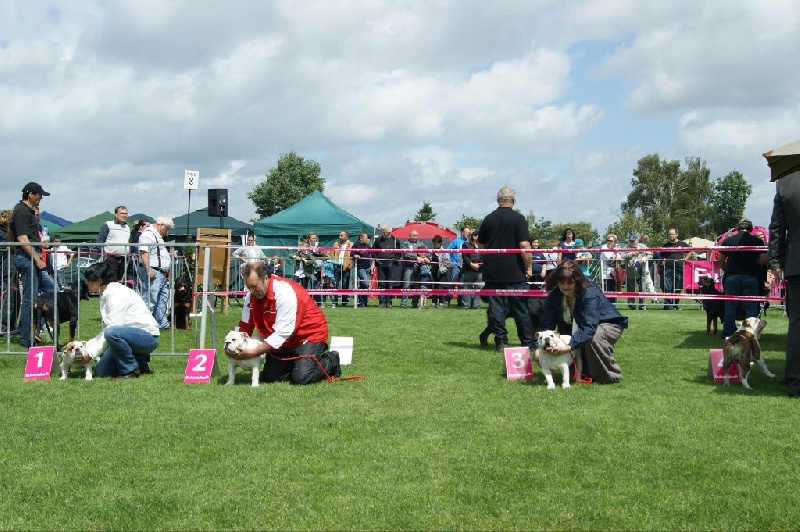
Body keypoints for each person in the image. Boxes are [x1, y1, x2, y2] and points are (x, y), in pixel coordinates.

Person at [227, 262, 340, 384]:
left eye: (255, 286)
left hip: (309, 335)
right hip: (285, 341)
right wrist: (234, 343)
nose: (252, 291)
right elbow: (245, 324)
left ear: (266, 278)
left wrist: (254, 351)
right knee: (270, 377)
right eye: (249, 287)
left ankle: (331, 360)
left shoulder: (284, 292)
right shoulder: (251, 296)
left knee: (301, 378)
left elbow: (283, 332)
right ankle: (297, 363)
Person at [535, 260, 626, 384]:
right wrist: (537, 348)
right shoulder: (554, 295)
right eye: (561, 283)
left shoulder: (589, 293)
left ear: (577, 281)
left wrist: (569, 346)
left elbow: (589, 326)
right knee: (572, 368)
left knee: (594, 337)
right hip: (580, 328)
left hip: (607, 323)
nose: (565, 286)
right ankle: (584, 372)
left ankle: (610, 376)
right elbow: (546, 322)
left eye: (570, 283)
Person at [65, 261, 159, 378]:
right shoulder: (106, 293)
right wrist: (88, 346)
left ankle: (130, 370)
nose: (86, 283)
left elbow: (113, 328)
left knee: (112, 333)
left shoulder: (116, 294)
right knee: (101, 372)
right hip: (130, 336)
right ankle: (140, 363)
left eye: (89, 280)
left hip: (148, 337)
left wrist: (90, 353)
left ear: (98, 281)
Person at [477, 186, 533, 352]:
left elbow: (480, 246)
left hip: (493, 272)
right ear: (513, 201)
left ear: (498, 200)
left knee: (496, 309)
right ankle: (527, 343)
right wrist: (528, 267)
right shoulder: (519, 219)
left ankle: (501, 342)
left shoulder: (488, 219)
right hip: (515, 272)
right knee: (521, 309)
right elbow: (524, 245)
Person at [11, 182, 55, 348]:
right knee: (30, 299)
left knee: (50, 293)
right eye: (39, 195)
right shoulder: (21, 211)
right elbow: (22, 239)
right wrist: (37, 259)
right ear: (30, 194)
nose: (41, 198)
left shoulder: (25, 211)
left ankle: (35, 329)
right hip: (28, 257)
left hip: (30, 256)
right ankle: (27, 338)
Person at [768, 172, 800, 398]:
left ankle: (795, 381)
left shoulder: (785, 184)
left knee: (797, 325)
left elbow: (777, 230)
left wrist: (776, 263)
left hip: (796, 264)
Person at [717, 218, 766, 338]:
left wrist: (727, 269)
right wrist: (755, 264)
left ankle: (727, 331)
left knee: (730, 305)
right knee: (751, 306)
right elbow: (764, 259)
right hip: (750, 276)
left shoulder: (728, 241)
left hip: (732, 276)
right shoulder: (756, 241)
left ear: (738, 228)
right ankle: (750, 333)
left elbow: (721, 259)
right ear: (751, 229)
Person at [138, 215, 174, 329]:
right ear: (160, 225)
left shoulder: (156, 236)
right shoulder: (148, 235)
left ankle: (161, 324)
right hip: (153, 271)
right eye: (166, 228)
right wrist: (148, 270)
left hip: (160, 272)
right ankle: (144, 325)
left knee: (162, 300)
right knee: (150, 299)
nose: (167, 232)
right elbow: (144, 253)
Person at [659, 228, 691, 310]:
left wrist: (685, 259)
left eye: (672, 234)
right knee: (667, 287)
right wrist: (658, 266)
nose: (671, 235)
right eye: (669, 234)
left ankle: (675, 305)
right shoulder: (665, 246)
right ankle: (667, 305)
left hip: (679, 269)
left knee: (677, 288)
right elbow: (661, 257)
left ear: (677, 234)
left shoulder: (682, 244)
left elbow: (690, 251)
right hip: (668, 268)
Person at [96, 205, 131, 282]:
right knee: (110, 282)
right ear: (115, 214)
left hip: (124, 259)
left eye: (126, 213)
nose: (124, 215)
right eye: (122, 213)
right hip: (110, 258)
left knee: (123, 283)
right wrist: (104, 254)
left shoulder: (127, 227)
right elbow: (99, 241)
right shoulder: (108, 225)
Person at [373, 226, 399, 308]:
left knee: (389, 283)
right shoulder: (378, 240)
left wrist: (394, 260)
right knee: (381, 283)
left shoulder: (395, 240)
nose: (383, 233)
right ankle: (381, 301)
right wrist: (376, 259)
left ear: (389, 232)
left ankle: (389, 301)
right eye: (383, 231)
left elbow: (399, 253)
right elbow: (373, 250)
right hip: (380, 263)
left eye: (385, 232)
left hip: (390, 263)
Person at [621, 233, 647, 310]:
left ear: (637, 240)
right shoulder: (626, 247)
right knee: (630, 288)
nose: (632, 242)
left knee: (642, 288)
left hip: (641, 271)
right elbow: (622, 256)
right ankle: (631, 304)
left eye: (633, 241)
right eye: (630, 241)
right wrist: (631, 254)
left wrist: (644, 259)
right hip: (630, 271)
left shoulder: (643, 247)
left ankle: (642, 305)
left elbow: (650, 254)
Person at [447, 226, 471, 307]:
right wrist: (451, 262)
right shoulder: (456, 241)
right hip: (456, 265)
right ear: (462, 232)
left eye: (469, 232)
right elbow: (447, 251)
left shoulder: (469, 243)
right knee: (452, 283)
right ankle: (447, 301)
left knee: (462, 285)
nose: (468, 233)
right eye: (466, 232)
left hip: (465, 266)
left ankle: (460, 302)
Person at [330, 230, 353, 307]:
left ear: (346, 236)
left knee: (345, 284)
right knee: (335, 284)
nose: (339, 237)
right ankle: (334, 301)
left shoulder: (351, 244)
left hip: (346, 267)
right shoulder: (336, 244)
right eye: (339, 235)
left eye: (341, 235)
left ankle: (344, 301)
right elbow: (331, 253)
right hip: (337, 266)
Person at [129, 218, 150, 298]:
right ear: (141, 227)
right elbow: (135, 248)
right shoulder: (137, 235)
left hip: (140, 260)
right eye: (147, 226)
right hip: (136, 260)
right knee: (136, 279)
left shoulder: (142, 235)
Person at [399, 230, 421, 308]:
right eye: (414, 235)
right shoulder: (405, 244)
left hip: (418, 267)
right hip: (408, 267)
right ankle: (403, 303)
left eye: (417, 235)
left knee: (417, 286)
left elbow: (426, 252)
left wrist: (423, 257)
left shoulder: (420, 244)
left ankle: (414, 303)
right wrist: (417, 257)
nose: (416, 237)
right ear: (410, 235)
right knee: (406, 285)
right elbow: (406, 254)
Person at [461, 231, 482, 309]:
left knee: (479, 287)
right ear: (474, 236)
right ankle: (466, 305)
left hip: (479, 270)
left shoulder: (482, 246)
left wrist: (479, 265)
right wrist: (471, 264)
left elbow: (484, 256)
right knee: (466, 287)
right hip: (468, 269)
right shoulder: (466, 245)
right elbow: (464, 256)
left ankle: (477, 305)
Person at [351, 232, 372, 307]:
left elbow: (372, 251)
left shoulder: (367, 245)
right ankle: (361, 300)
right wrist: (355, 255)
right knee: (365, 283)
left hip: (367, 268)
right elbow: (351, 252)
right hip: (360, 268)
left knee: (365, 285)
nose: (367, 239)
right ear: (361, 238)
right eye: (366, 238)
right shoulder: (356, 245)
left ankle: (363, 302)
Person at [429, 234, 450, 308]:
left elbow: (447, 264)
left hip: (441, 272)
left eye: (435, 244)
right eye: (433, 243)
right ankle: (433, 302)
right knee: (434, 287)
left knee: (441, 287)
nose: (434, 245)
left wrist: (441, 270)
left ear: (440, 243)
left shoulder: (444, 252)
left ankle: (441, 302)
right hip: (433, 271)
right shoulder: (431, 251)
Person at [600, 234, 621, 301]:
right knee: (606, 291)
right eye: (608, 240)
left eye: (611, 241)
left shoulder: (615, 249)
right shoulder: (604, 248)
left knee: (613, 291)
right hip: (605, 273)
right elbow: (609, 259)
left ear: (614, 242)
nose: (609, 242)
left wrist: (616, 254)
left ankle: (613, 305)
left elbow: (620, 259)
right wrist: (615, 256)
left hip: (614, 273)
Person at [415, 245, 433, 309]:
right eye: (422, 252)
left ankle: (424, 305)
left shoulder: (427, 258)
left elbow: (431, 265)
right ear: (418, 253)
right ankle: (421, 305)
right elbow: (415, 268)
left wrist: (428, 261)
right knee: (422, 291)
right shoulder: (418, 260)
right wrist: (419, 262)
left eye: (425, 252)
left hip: (428, 278)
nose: (424, 253)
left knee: (426, 291)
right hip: (422, 278)